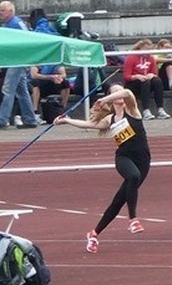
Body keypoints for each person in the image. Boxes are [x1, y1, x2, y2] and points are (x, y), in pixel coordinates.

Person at [54, 84, 150, 254]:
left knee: (119, 200)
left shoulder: (133, 110)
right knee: (133, 177)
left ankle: (94, 234)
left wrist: (104, 99)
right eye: (115, 92)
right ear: (112, 98)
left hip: (143, 161)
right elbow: (87, 124)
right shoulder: (110, 119)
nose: (120, 94)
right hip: (124, 158)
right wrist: (66, 120)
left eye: (120, 91)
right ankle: (133, 219)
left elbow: (128, 92)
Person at [0, 1, 40, 129]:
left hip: (17, 60)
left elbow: (27, 40)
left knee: (8, 89)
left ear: (10, 11)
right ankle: (30, 119)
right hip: (17, 60)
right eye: (0, 11)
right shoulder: (13, 24)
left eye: (3, 11)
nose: (0, 13)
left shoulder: (15, 24)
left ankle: (2, 119)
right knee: (22, 92)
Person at [123, 39, 170, 121]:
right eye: (146, 50)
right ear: (140, 49)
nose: (148, 52)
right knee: (145, 82)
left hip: (146, 81)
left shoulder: (151, 58)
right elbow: (126, 76)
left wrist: (151, 75)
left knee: (157, 81)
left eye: (149, 50)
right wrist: (136, 76)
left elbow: (155, 73)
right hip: (133, 83)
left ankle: (160, 109)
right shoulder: (131, 57)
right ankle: (146, 110)